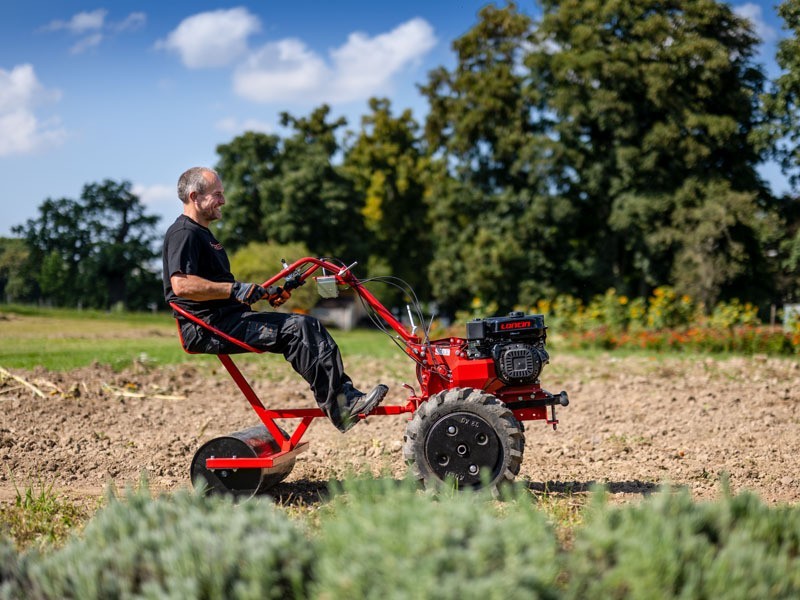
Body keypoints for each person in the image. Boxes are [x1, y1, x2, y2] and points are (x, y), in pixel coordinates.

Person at [162, 166, 387, 432]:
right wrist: (234, 290)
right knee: (299, 329)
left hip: (227, 317)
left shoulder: (203, 234)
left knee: (307, 325)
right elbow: (182, 285)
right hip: (208, 326)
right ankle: (342, 407)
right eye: (217, 194)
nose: (223, 200)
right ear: (194, 196)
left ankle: (345, 399)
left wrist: (266, 293)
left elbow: (220, 289)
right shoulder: (184, 233)